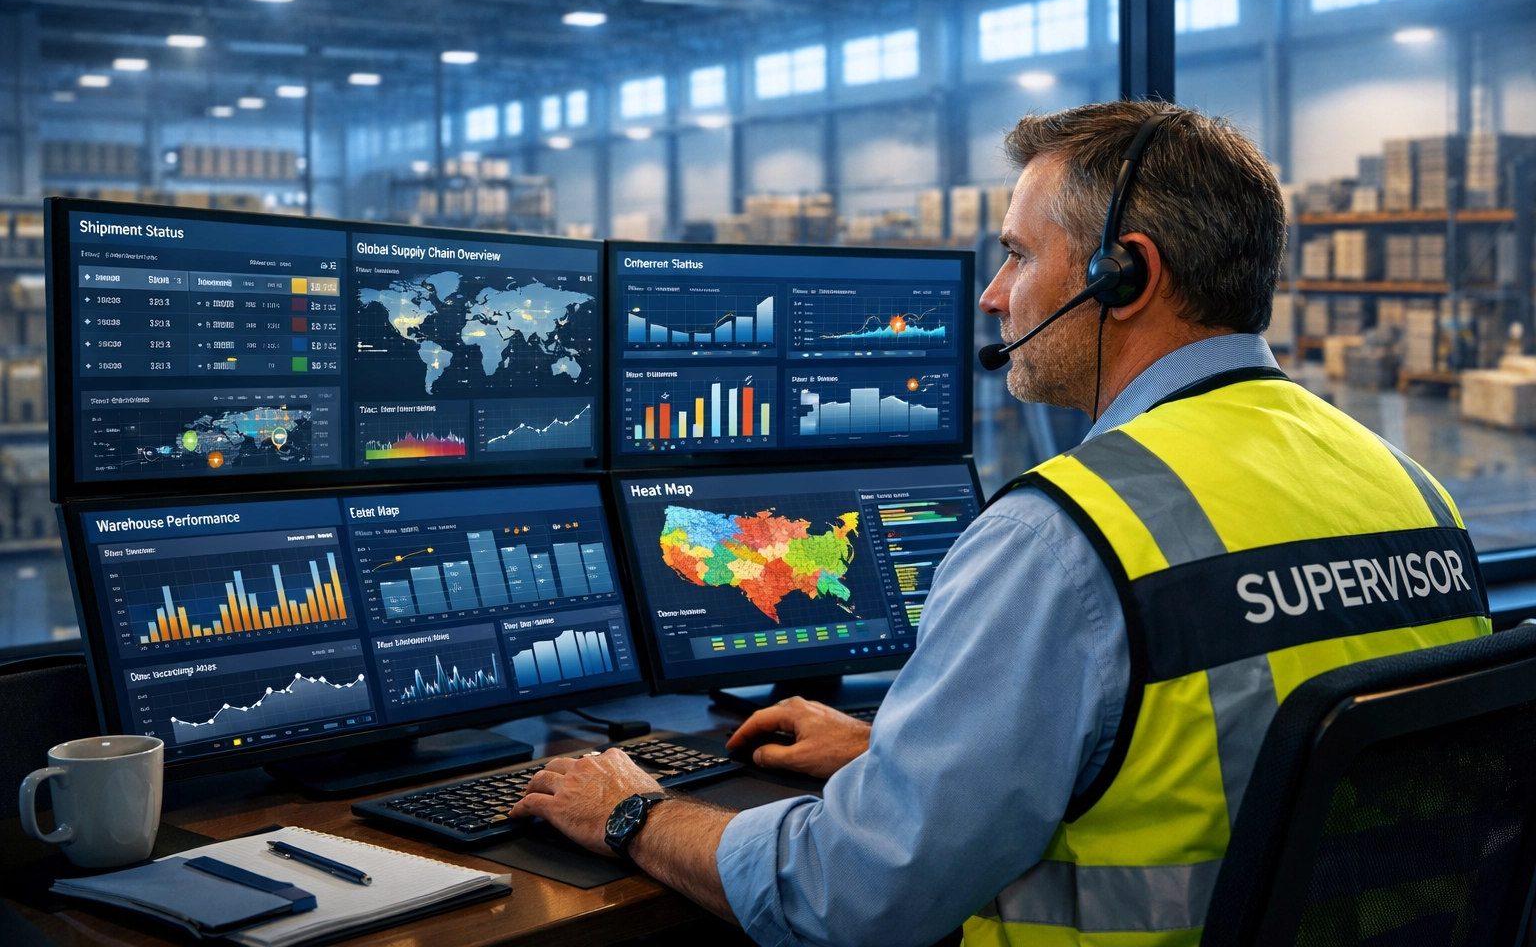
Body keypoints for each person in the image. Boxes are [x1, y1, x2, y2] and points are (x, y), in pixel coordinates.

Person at [509, 101, 1490, 946]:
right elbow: (1230, 756)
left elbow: (847, 895)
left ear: (1125, 277)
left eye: (1019, 255)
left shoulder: (1067, 539)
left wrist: (635, 810)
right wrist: (906, 756)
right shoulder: (1416, 496)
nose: (992, 295)